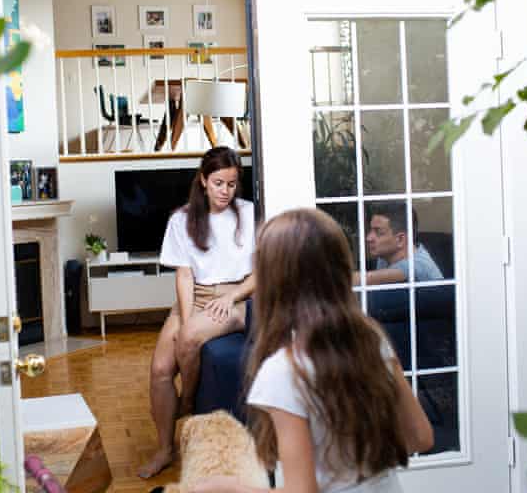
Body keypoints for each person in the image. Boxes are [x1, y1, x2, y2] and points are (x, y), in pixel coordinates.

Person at [191, 208, 433, 493]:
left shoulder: (283, 371)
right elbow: (420, 437)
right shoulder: (371, 338)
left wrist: (230, 488)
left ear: (275, 284)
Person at [138, 146, 256, 479]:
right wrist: (188, 321)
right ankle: (164, 449)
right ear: (203, 180)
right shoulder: (182, 219)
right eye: (219, 183)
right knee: (161, 368)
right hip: (194, 295)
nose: (225, 191)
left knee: (188, 337)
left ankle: (186, 404)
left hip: (235, 299)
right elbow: (184, 276)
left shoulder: (248, 214)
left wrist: (232, 296)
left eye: (231, 184)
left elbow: (260, 272)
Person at [365, 203, 443, 283]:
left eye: (378, 232)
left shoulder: (416, 266)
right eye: (370, 230)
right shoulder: (386, 255)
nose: (368, 238)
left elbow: (360, 279)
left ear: (400, 239)